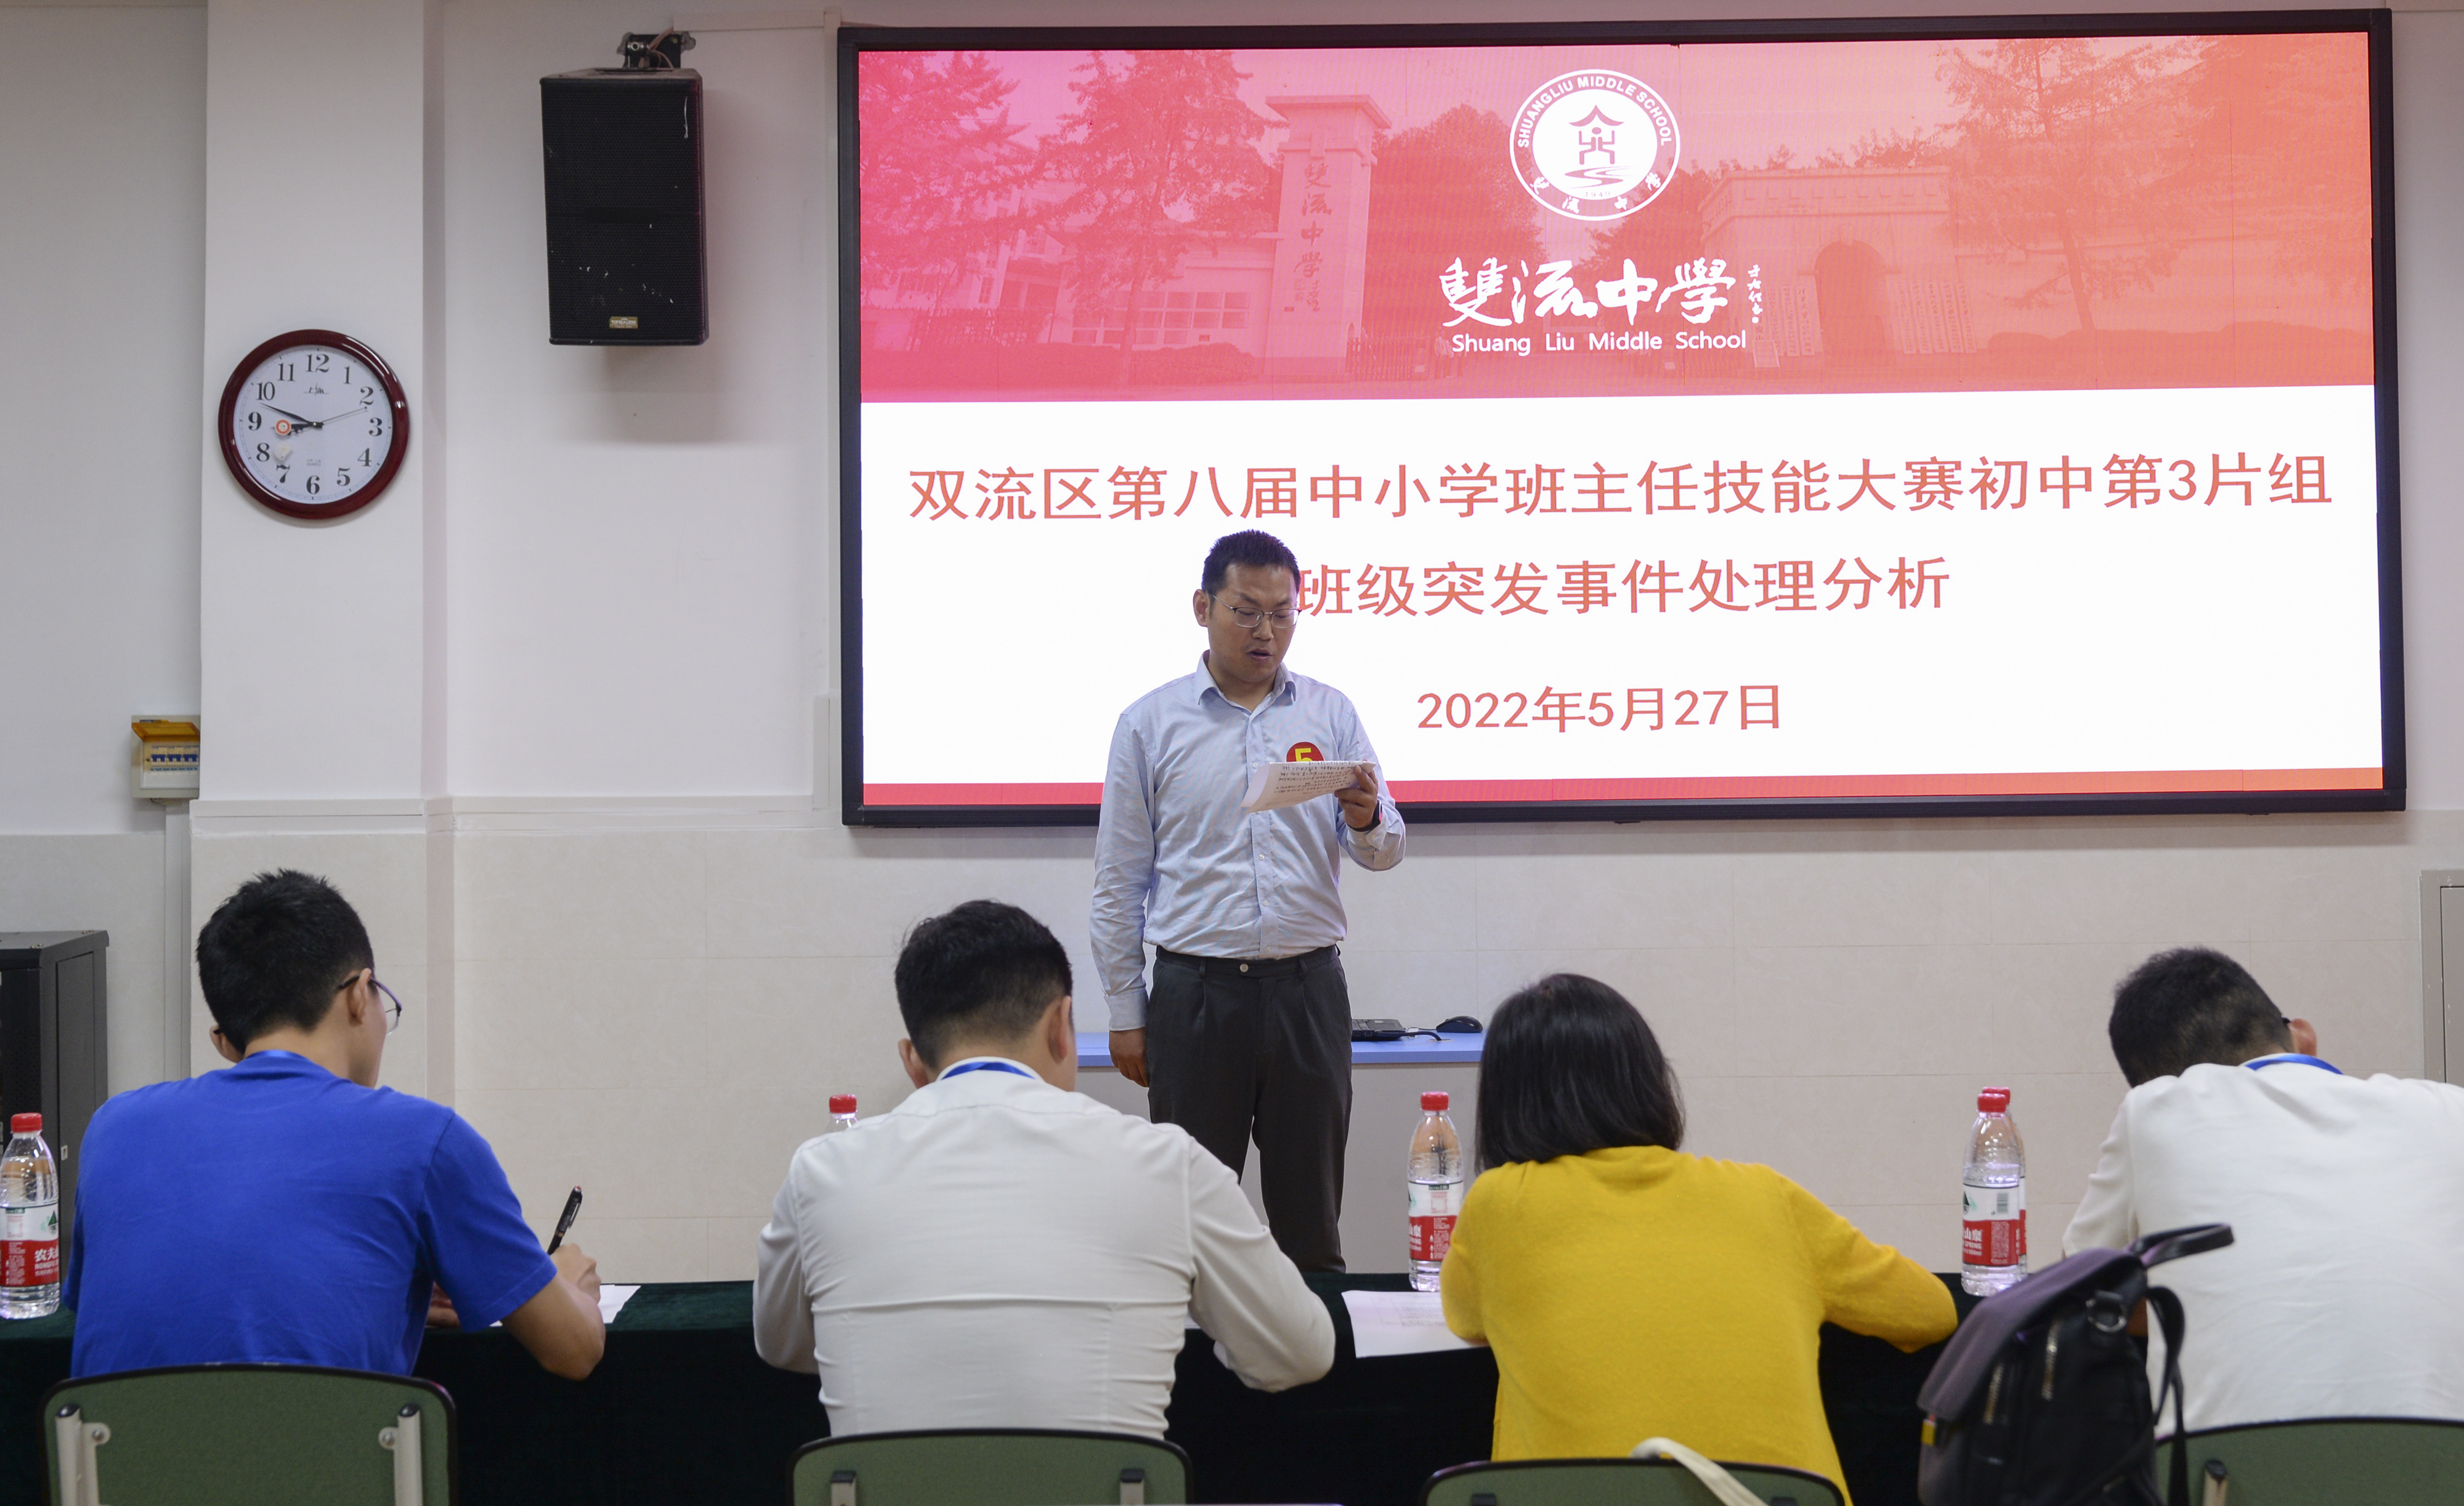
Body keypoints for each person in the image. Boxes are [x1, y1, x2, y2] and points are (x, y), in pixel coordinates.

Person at [753, 900, 1334, 1436]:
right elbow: (1300, 1352)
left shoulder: (820, 1172)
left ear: (912, 1060)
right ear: (1062, 1026)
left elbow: (782, 1346)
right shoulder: (1169, 1165)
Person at [66, 870, 604, 1379]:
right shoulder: (425, 1140)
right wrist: (565, 1280)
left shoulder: (114, 1129)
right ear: (358, 995)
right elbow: (574, 1351)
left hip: (121, 1451)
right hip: (333, 1452)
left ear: (225, 1042)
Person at [1440, 974, 1955, 1492]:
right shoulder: (1765, 1194)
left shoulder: (1498, 1203)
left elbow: (1465, 1317)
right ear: (1648, 1080)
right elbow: (1932, 1310)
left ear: (1506, 1101)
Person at [1091, 528, 1403, 1271]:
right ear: (1203, 608)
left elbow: (1384, 849)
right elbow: (1118, 880)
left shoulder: (1329, 713)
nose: (1267, 631)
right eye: (1246, 611)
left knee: (1311, 1221)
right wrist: (1127, 1012)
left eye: (1282, 613)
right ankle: (1202, 1350)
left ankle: (1316, 1346)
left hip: (1308, 993)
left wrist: (1366, 816)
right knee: (1193, 1226)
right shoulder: (1149, 724)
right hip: (1195, 998)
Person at [2064, 946, 2464, 1431]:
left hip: (2230, 1461)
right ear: (2304, 1038)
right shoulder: (2449, 1108)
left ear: (2153, 1083)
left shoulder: (2155, 1110)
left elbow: (2083, 1295)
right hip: (2446, 1454)